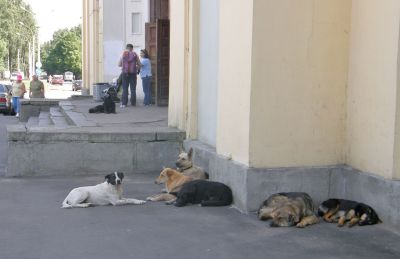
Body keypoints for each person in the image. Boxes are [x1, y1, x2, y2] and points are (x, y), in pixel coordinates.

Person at [118, 44, 141, 108]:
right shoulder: (135, 54)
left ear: (126, 48)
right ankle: (133, 103)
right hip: (133, 74)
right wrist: (136, 67)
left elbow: (119, 64)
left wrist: (124, 66)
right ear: (132, 48)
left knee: (125, 89)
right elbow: (139, 64)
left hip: (125, 74)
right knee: (133, 89)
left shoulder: (122, 54)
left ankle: (124, 103)